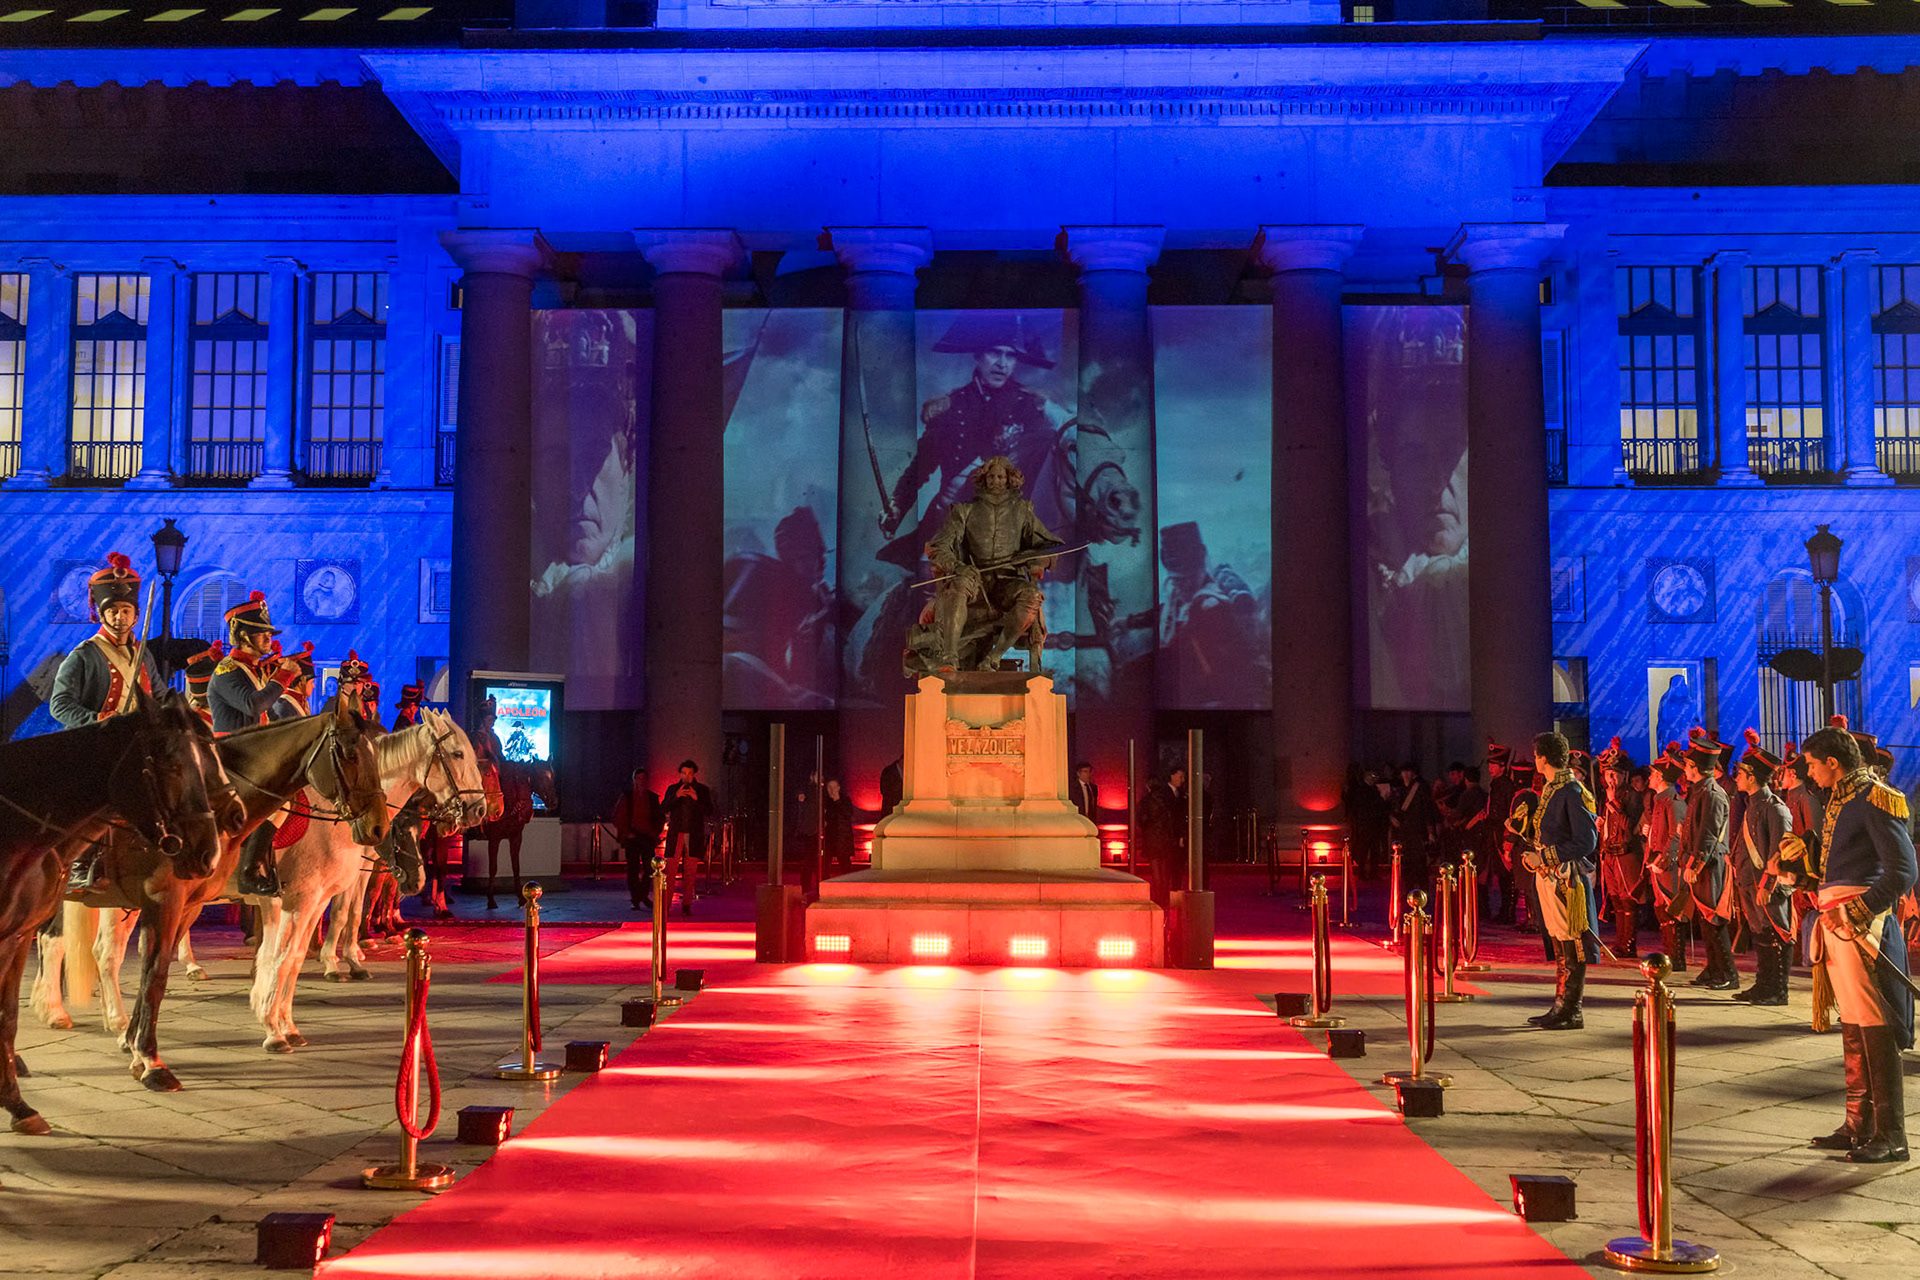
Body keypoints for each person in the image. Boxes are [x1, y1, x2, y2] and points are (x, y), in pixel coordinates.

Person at [1798, 724, 1916, 1163]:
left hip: (1861, 925)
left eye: (1812, 764)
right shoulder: (1842, 797)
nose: (1809, 773)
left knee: (1876, 1023)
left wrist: (1857, 912)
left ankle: (1892, 1135)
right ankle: (1858, 1124)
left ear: (1833, 762)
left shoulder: (1872, 796)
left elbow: (1902, 870)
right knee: (1854, 1021)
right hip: (1838, 922)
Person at [880, 314, 1061, 573]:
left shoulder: (1031, 410)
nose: (1002, 364)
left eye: (1010, 356)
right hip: (951, 524)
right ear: (978, 355)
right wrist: (897, 505)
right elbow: (921, 466)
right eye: (994, 353)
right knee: (925, 588)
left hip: (1011, 534)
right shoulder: (950, 409)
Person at [907, 455, 1064, 675]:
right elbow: (938, 547)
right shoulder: (964, 511)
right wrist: (957, 566)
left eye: (1001, 476)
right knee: (958, 587)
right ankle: (949, 657)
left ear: (1010, 480)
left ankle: (993, 658)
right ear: (983, 479)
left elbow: (1051, 548)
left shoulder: (1023, 511)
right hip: (974, 579)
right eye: (991, 476)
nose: (996, 481)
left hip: (1009, 582)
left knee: (1031, 597)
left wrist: (1031, 557)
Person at [210, 590, 294, 895]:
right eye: (261, 634)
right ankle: (248, 870)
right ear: (243, 636)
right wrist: (282, 678)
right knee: (273, 803)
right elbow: (253, 706)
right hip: (233, 755)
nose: (268, 639)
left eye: (268, 634)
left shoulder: (251, 669)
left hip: (252, 753)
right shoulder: (227, 671)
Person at [1523, 731, 1599, 1031]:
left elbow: (1587, 840)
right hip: (1551, 877)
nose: (1535, 760)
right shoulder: (1554, 788)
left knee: (1573, 945)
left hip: (1566, 879)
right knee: (1560, 941)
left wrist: (1545, 857)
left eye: (1536, 755)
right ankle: (1560, 1006)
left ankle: (1571, 1010)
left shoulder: (1571, 790)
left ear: (1543, 757)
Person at [1731, 730, 1794, 1006]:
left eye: (1741, 774)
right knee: (1760, 935)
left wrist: (1768, 885)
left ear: (1752, 777)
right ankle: (1763, 985)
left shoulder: (1774, 808)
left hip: (1766, 885)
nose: (1737, 778)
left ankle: (1778, 990)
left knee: (1776, 934)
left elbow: (1779, 853)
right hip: (1749, 881)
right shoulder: (1752, 804)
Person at [1680, 729, 1740, 991]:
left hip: (1710, 865)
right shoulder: (1699, 790)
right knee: (1705, 921)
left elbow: (1708, 834)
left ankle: (1728, 973)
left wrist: (1694, 864)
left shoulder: (1712, 794)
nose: (1685, 768)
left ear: (1697, 767)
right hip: (1702, 864)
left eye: (1688, 764)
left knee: (1714, 919)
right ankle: (1714, 968)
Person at [1642, 747, 1692, 972]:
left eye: (1653, 774)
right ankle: (1670, 954)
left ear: (1660, 777)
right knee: (1661, 910)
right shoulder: (1660, 801)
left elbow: (1677, 836)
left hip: (1669, 868)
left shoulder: (1673, 802)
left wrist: (1664, 860)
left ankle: (1677, 958)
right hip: (1657, 864)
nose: (1649, 777)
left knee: (1673, 911)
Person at [1596, 739, 1646, 960]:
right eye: (1608, 775)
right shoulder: (1605, 796)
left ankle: (1629, 943)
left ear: (1624, 775)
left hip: (1627, 854)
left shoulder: (1632, 796)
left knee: (1628, 900)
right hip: (1609, 853)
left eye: (1614, 774)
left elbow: (1631, 825)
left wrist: (1614, 805)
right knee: (1615, 899)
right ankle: (1619, 941)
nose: (1611, 779)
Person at [1470, 743, 1522, 923]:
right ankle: (1498, 911)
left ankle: (1508, 912)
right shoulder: (1496, 785)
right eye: (1490, 765)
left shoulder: (1506, 786)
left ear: (1502, 766)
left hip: (1501, 834)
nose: (1490, 768)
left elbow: (1508, 813)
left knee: (1506, 876)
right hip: (1492, 835)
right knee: (1494, 875)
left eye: (1494, 765)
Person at [660, 760, 715, 916]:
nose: (687, 776)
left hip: (693, 834)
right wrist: (676, 796)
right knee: (670, 870)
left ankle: (686, 904)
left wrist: (696, 798)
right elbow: (663, 808)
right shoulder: (673, 789)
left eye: (690, 773)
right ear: (680, 774)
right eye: (684, 773)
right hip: (676, 833)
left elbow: (709, 810)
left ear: (694, 774)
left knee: (690, 871)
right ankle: (666, 904)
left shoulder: (702, 790)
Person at [612, 767, 664, 912]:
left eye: (643, 779)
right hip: (632, 836)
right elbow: (618, 816)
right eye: (638, 779)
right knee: (633, 869)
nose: (641, 782)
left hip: (647, 837)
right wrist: (627, 833)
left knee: (649, 869)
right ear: (634, 780)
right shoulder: (627, 797)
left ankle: (640, 896)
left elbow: (659, 818)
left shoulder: (652, 798)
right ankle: (637, 898)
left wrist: (654, 832)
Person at [1390, 762, 1438, 892]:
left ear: (1413, 773)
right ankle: (1408, 890)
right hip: (1404, 832)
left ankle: (1423, 890)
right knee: (1406, 864)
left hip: (1418, 832)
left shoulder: (1420, 789)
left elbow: (1427, 811)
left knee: (1420, 863)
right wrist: (1393, 819)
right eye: (1403, 772)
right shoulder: (1399, 790)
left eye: (1408, 772)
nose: (1405, 774)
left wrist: (1430, 832)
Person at [1138, 770, 1180, 906]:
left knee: (1155, 870)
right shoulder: (1167, 800)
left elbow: (1142, 820)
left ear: (1147, 785)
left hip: (1152, 838)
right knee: (1165, 870)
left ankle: (1158, 897)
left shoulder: (1146, 801)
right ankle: (1164, 896)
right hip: (1166, 838)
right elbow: (1173, 819)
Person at [821, 779, 856, 885]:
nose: (832, 790)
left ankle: (849, 886)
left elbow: (848, 814)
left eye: (834, 787)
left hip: (842, 837)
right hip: (830, 837)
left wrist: (838, 801)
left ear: (839, 788)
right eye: (829, 787)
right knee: (825, 863)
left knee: (844, 863)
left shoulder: (845, 800)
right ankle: (825, 884)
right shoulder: (826, 801)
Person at [270, 642, 317, 720]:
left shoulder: (302, 702)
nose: (313, 686)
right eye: (311, 682)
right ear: (302, 681)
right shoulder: (283, 704)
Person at [879, 756, 904, 821]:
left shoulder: (905, 773)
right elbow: (884, 789)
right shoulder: (888, 771)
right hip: (890, 808)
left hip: (899, 809)